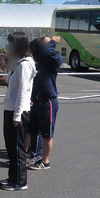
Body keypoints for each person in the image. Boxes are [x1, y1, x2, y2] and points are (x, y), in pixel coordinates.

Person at [1, 32, 36, 191]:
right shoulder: (19, 63)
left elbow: (23, 91)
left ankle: (20, 182)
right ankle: (12, 178)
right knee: (11, 147)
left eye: (11, 44)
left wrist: (17, 115)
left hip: (17, 112)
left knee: (17, 148)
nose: (9, 47)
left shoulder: (24, 65)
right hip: (12, 109)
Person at [27, 36, 62, 170]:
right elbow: (33, 46)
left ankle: (45, 161)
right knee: (30, 131)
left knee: (46, 134)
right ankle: (26, 155)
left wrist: (52, 42)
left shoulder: (54, 59)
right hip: (35, 100)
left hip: (48, 100)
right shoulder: (37, 60)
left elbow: (48, 52)